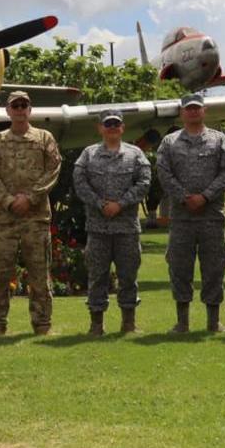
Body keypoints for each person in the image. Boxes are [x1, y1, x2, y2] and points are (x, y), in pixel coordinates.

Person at [0, 90, 62, 336]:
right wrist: (8, 201)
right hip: (4, 219)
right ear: (7, 110)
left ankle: (42, 324)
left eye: (23, 105)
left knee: (39, 274)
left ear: (30, 109)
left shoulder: (44, 138)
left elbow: (53, 169)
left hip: (35, 218)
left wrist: (31, 198)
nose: (19, 110)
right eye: (15, 106)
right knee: (0, 276)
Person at [155, 92, 225, 333]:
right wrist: (183, 197)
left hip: (211, 216)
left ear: (204, 111)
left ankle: (213, 321)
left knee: (214, 267)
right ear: (182, 113)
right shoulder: (169, 142)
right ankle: (182, 321)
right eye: (188, 108)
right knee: (179, 267)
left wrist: (206, 196)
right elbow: (163, 172)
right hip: (182, 217)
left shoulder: (219, 139)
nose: (192, 111)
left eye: (196, 108)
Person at [72, 110, 151, 335]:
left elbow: (144, 182)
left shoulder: (135, 154)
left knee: (128, 276)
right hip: (98, 229)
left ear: (123, 128)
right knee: (97, 276)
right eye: (108, 124)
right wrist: (99, 203)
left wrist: (121, 203)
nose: (113, 127)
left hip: (126, 229)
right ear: (100, 128)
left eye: (116, 124)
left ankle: (129, 323)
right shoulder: (88, 154)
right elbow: (80, 182)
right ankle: (96, 324)